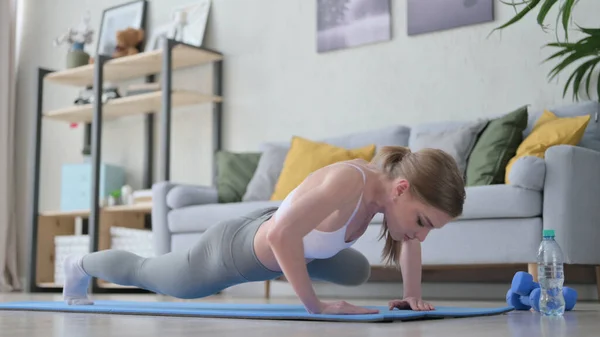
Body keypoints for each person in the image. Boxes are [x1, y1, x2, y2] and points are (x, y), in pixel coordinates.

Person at [62, 146, 466, 315]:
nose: (422, 235)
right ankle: (78, 265)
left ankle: (296, 264)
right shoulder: (351, 183)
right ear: (401, 189)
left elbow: (407, 240)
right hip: (235, 253)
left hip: (282, 234)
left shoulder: (388, 195)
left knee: (356, 269)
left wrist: (412, 295)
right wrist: (318, 307)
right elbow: (279, 236)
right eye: (423, 222)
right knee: (152, 274)